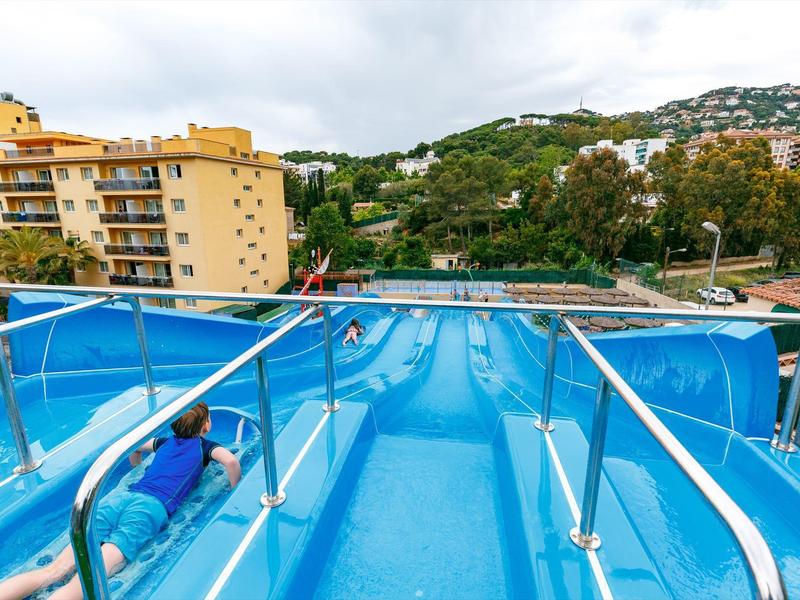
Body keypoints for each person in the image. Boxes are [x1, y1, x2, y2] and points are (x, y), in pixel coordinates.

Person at [0, 402, 240, 600]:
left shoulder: (163, 442)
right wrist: (235, 490)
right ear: (206, 424)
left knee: (53, 571)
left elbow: (133, 448)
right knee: (89, 579)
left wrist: (137, 468)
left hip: (121, 499)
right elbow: (230, 462)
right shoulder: (206, 447)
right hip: (148, 509)